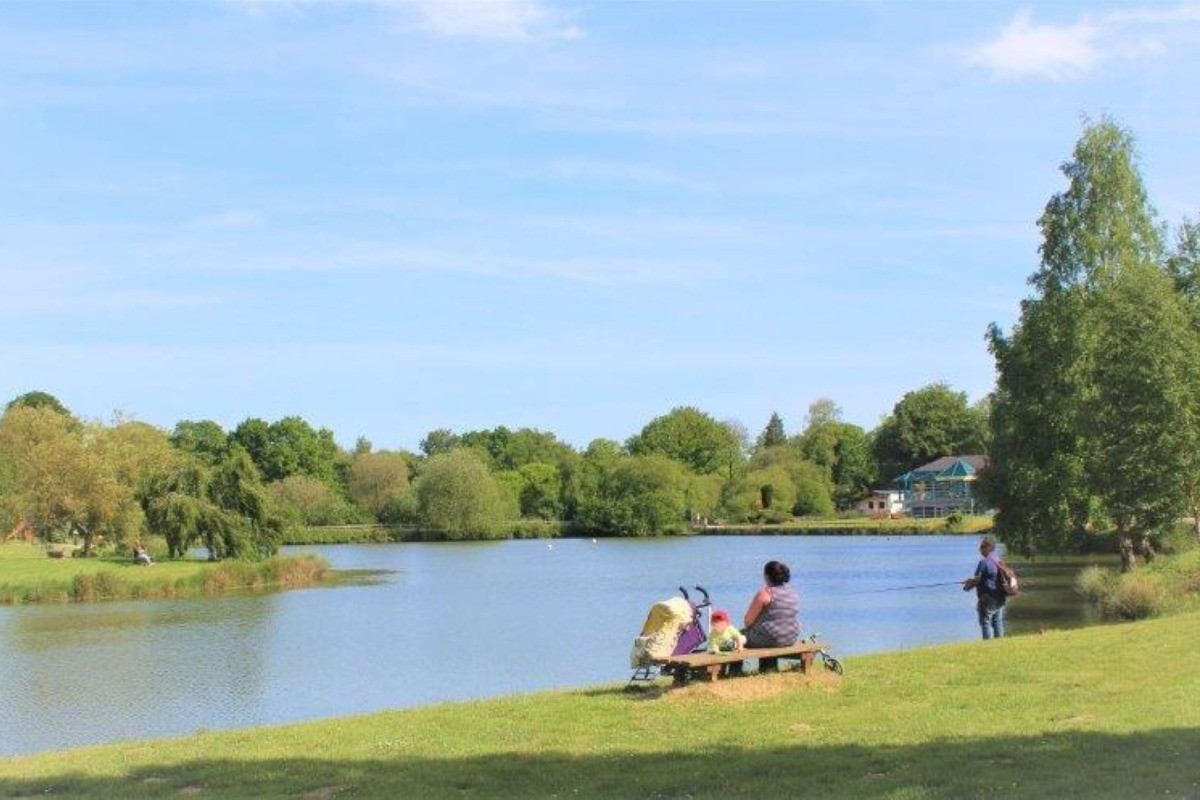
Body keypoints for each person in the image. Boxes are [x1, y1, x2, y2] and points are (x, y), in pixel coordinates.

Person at [742, 560, 801, 672]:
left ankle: (734, 671)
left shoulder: (765, 594)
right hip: (791, 637)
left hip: (769, 638)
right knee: (769, 631)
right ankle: (768, 668)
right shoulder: (793, 593)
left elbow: (748, 621)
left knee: (737, 637)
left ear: (766, 576)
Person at [962, 536, 1004, 639]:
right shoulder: (998, 561)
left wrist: (967, 586)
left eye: (982, 547)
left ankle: (988, 645)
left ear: (989, 548)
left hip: (987, 597)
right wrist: (970, 581)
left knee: (985, 622)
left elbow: (977, 579)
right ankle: (1000, 644)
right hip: (1000, 596)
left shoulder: (984, 562)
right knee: (997, 621)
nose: (980, 549)